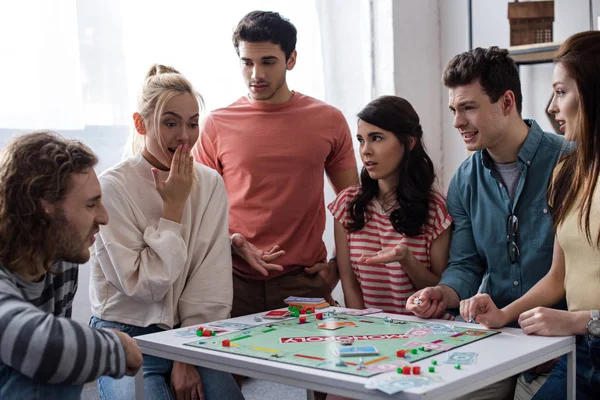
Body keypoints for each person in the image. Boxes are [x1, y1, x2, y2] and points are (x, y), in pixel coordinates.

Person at [406, 46, 569, 399]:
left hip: (560, 343)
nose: (456, 122)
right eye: (453, 109)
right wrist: (444, 293)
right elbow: (466, 262)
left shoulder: (569, 161)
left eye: (468, 107)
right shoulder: (463, 179)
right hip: (495, 339)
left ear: (506, 103)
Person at [459, 31, 600, 400]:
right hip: (580, 352)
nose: (552, 107)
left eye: (561, 91)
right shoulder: (568, 171)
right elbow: (558, 278)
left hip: (577, 334)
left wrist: (578, 320)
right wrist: (503, 315)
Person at [89, 65, 243, 400]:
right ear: (140, 124)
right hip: (124, 330)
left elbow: (209, 279)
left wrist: (184, 354)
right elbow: (142, 285)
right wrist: (172, 209)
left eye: (192, 123)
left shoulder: (210, 183)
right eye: (170, 122)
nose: (184, 136)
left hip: (189, 330)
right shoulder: (111, 188)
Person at [192, 11, 358, 318]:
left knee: (310, 367)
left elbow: (353, 202)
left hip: (304, 282)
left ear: (290, 59)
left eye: (268, 61)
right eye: (247, 62)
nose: (256, 74)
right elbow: (200, 212)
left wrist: (337, 265)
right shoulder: (216, 124)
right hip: (231, 282)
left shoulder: (329, 120)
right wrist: (233, 244)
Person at [0, 132, 143, 399]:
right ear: (45, 207)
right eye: (91, 204)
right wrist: (118, 346)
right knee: (45, 370)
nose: (104, 217)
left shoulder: (61, 260)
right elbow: (39, 348)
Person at [327, 96, 452, 314]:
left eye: (376, 138)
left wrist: (406, 259)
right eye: (361, 140)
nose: (365, 150)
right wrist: (364, 331)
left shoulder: (436, 209)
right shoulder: (347, 205)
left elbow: (440, 292)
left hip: (423, 335)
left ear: (409, 142)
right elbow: (349, 284)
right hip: (367, 334)